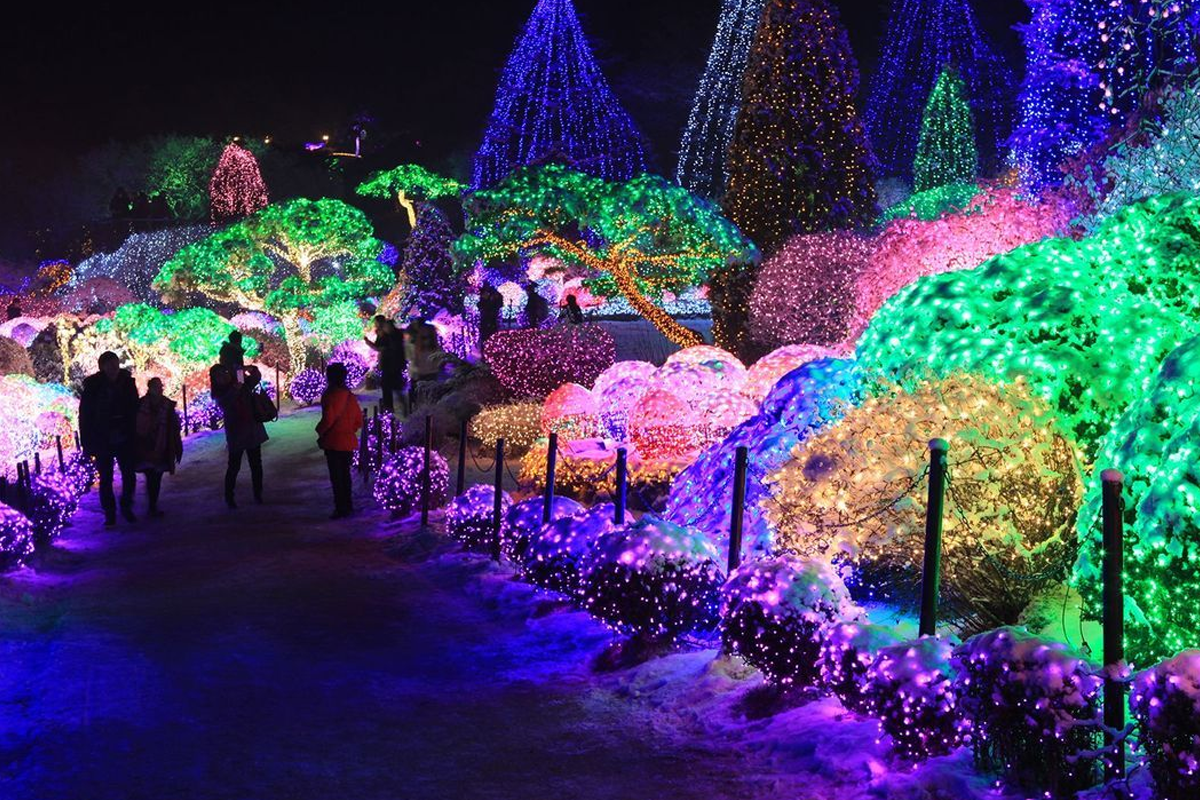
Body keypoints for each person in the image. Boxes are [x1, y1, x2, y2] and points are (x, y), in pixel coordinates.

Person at [79, 351, 140, 526]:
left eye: (115, 364)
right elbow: (85, 416)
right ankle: (110, 513)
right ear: (102, 367)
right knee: (106, 478)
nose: (113, 368)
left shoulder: (127, 383)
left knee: (129, 474)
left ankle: (126, 505)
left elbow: (134, 409)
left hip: (124, 435)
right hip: (102, 437)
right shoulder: (93, 387)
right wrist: (87, 443)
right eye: (109, 365)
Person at [211, 364, 269, 508]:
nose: (223, 376)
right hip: (236, 433)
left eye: (225, 371)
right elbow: (226, 403)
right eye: (219, 375)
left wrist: (252, 369)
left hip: (251, 430)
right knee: (234, 466)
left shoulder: (241, 384)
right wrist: (236, 388)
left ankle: (258, 494)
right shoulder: (220, 393)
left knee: (256, 464)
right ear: (214, 379)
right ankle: (229, 496)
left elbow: (255, 379)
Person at [316, 363, 364, 519]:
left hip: (333, 441)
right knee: (345, 475)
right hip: (348, 440)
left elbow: (328, 419)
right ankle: (348, 505)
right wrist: (349, 429)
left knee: (336, 477)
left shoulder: (330, 395)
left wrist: (320, 430)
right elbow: (359, 420)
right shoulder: (350, 396)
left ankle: (340, 507)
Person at [135, 377, 183, 517]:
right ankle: (152, 506)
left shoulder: (166, 405)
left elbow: (174, 428)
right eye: (157, 386)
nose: (159, 389)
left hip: (161, 446)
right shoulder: (143, 405)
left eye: (160, 386)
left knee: (156, 477)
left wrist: (176, 446)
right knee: (152, 477)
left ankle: (152, 505)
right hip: (146, 446)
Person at [364, 316, 406, 413]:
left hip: (390, 363)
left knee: (388, 386)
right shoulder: (387, 333)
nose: (375, 324)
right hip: (392, 364)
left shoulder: (388, 335)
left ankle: (390, 408)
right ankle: (398, 407)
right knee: (393, 386)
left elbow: (380, 348)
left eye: (376, 322)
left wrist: (368, 342)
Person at [478, 283, 502, 352]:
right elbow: (482, 307)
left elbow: (497, 305)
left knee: (490, 335)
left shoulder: (492, 298)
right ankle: (486, 350)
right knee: (486, 336)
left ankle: (490, 349)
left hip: (490, 320)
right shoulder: (483, 301)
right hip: (487, 321)